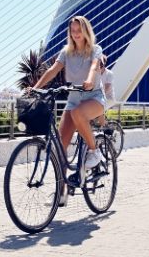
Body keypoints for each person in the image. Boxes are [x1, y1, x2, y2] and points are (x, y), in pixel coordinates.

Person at [31, 15, 106, 205]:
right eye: (73, 31)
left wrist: (90, 80)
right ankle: (61, 193)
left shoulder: (95, 50)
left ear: (86, 31)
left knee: (78, 114)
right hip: (73, 100)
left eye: (79, 30)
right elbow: (53, 70)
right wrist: (36, 88)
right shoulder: (66, 52)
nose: (76, 34)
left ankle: (94, 150)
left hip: (94, 98)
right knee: (60, 148)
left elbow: (94, 67)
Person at [95, 54, 115, 128]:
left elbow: (107, 88)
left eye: (101, 63)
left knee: (98, 110)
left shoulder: (109, 74)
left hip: (109, 98)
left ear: (104, 64)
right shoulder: (96, 73)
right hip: (99, 97)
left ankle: (107, 128)